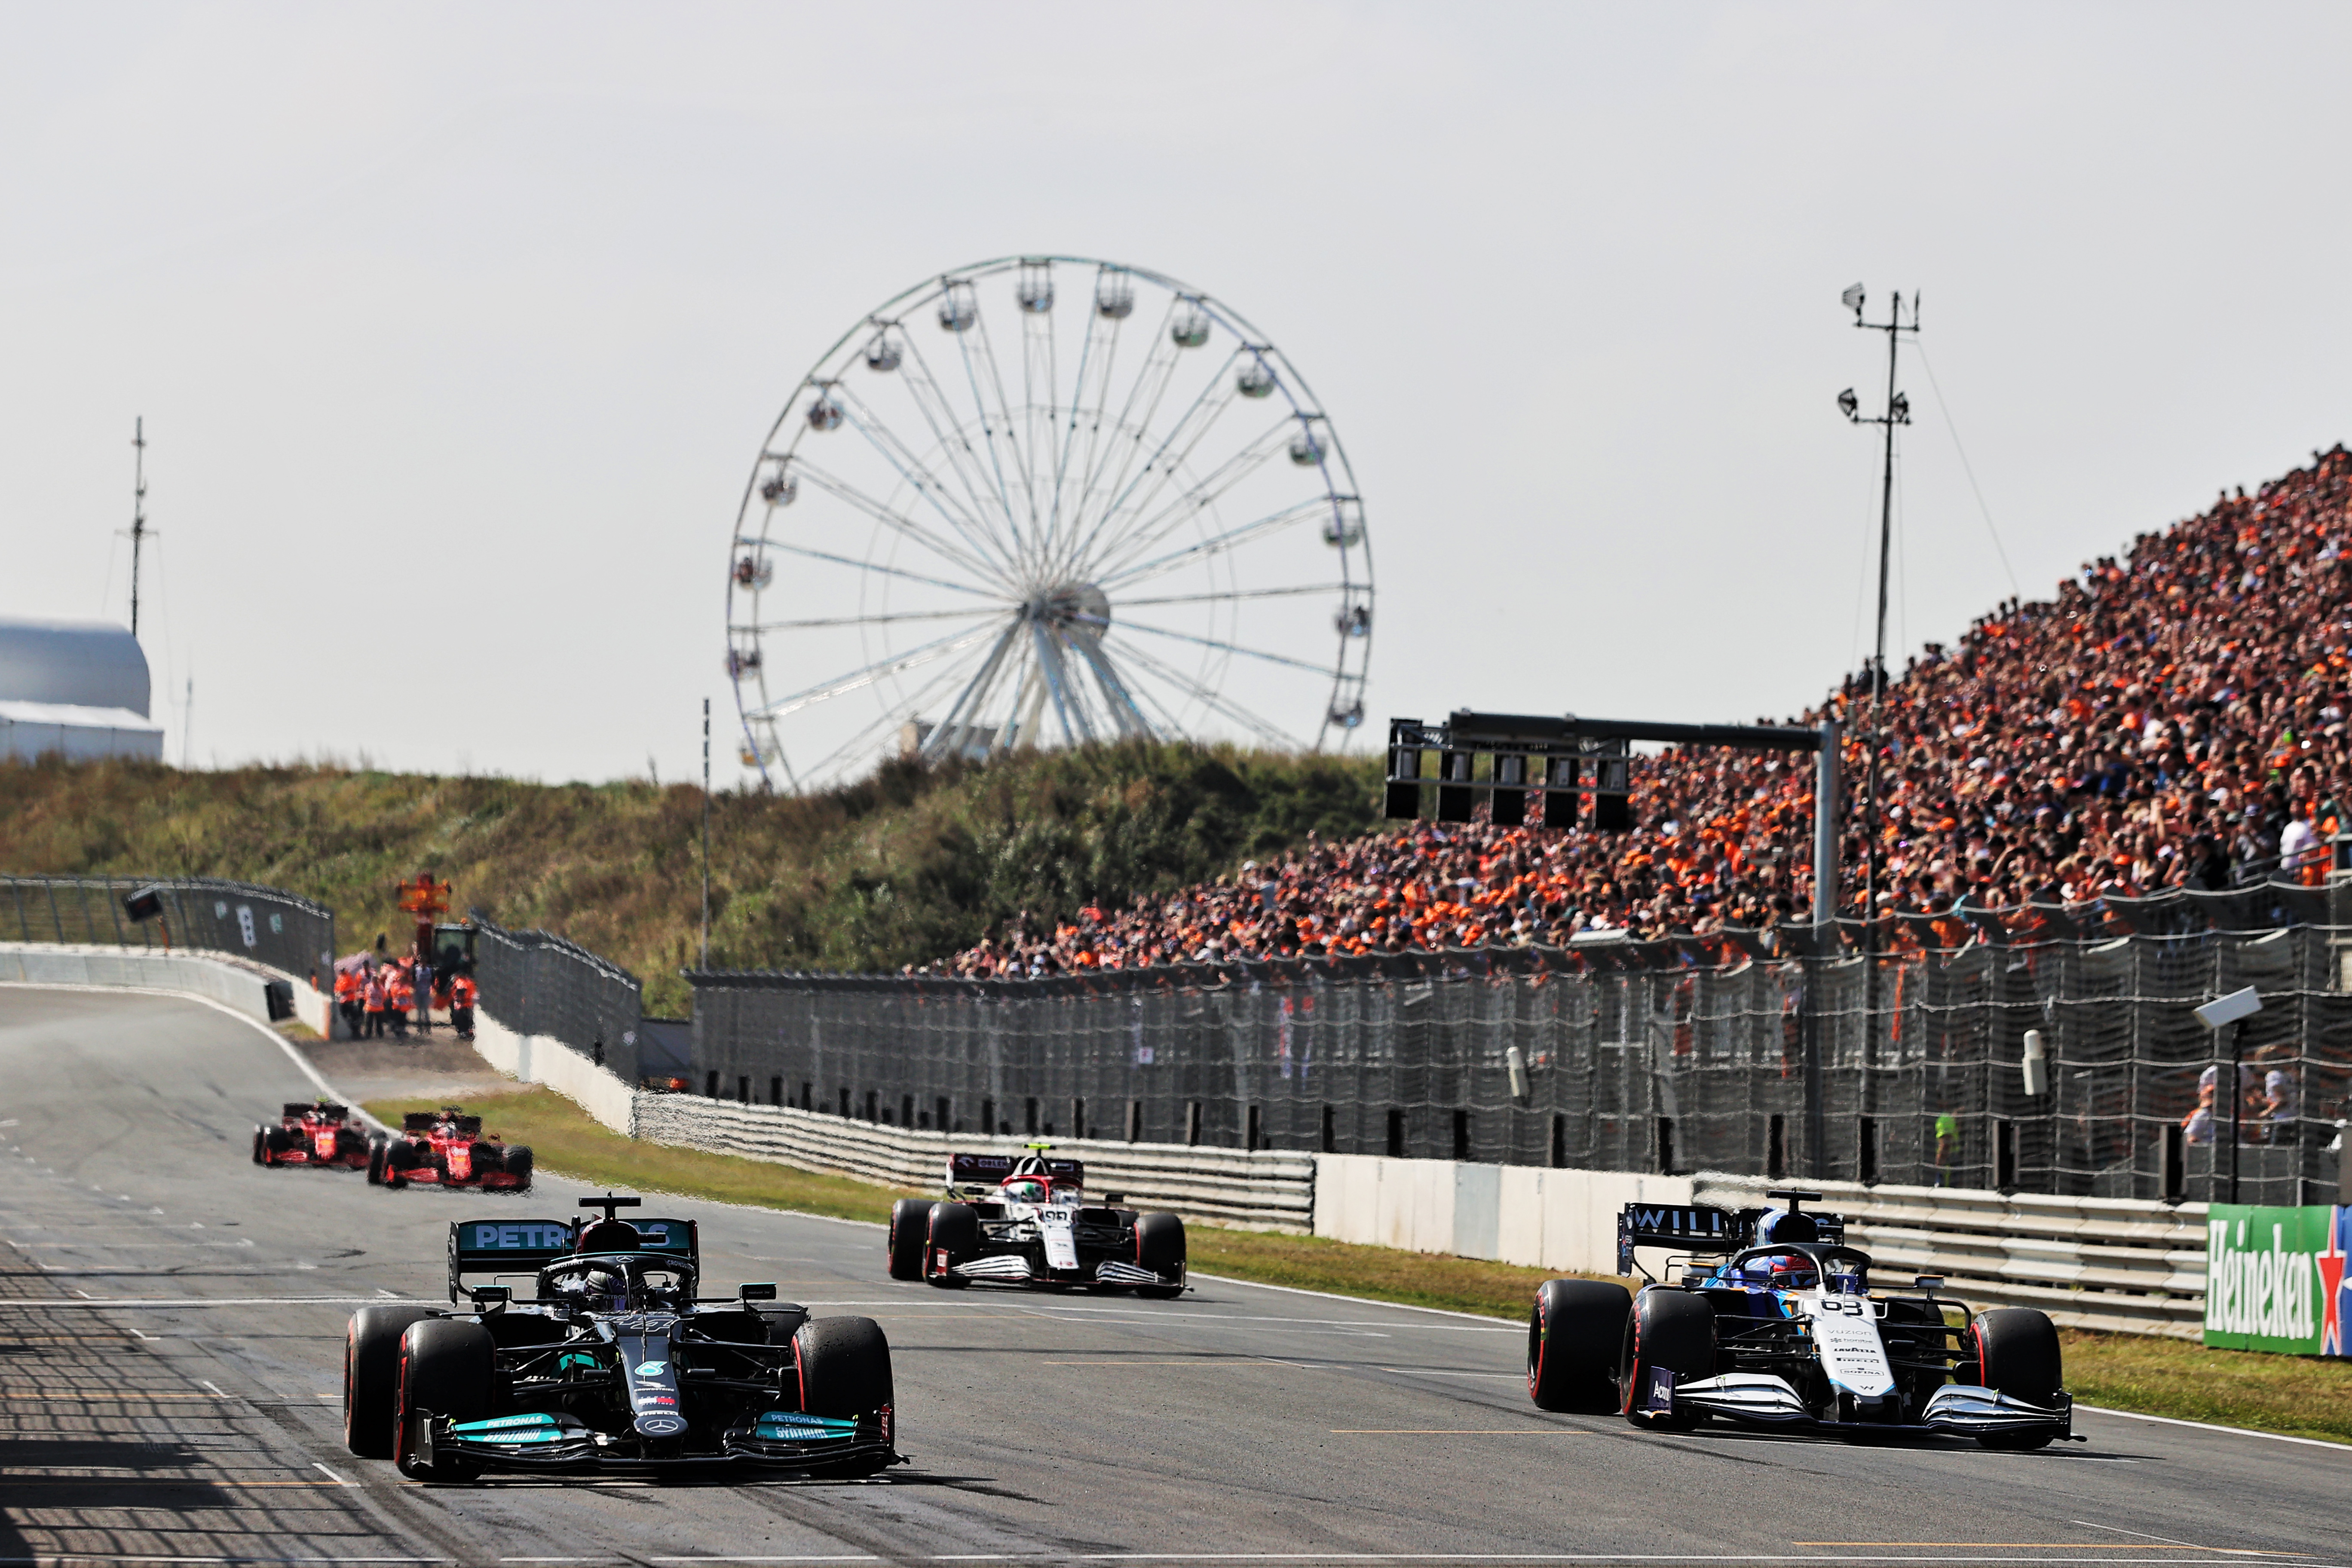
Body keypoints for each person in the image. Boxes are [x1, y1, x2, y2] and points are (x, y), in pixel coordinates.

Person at [449, 969, 478, 1042]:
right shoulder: (459, 981)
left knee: (465, 1020)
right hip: (459, 1005)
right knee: (458, 1019)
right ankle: (462, 1032)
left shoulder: (467, 983)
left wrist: (460, 997)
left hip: (465, 1005)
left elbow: (464, 992)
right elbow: (453, 990)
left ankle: (466, 1032)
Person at [361, 963, 387, 1039]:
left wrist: (380, 1003)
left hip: (379, 1008)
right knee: (369, 1023)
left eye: (377, 980)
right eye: (374, 980)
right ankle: (368, 1035)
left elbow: (384, 996)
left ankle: (380, 1035)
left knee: (379, 1024)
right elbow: (366, 996)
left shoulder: (381, 988)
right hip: (370, 1008)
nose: (376, 982)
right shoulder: (368, 987)